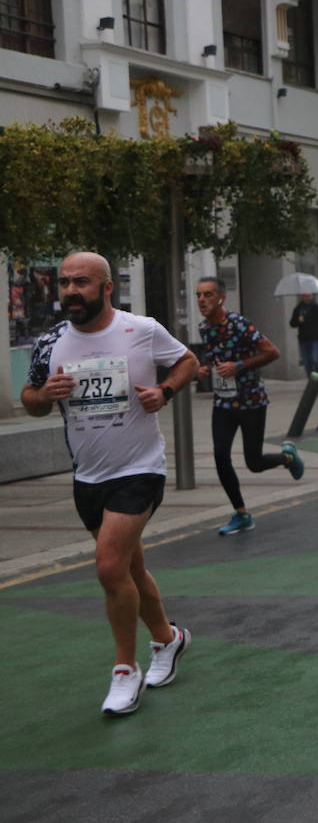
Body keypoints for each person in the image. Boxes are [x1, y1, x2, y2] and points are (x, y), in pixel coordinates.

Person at [22, 252, 198, 715]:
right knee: (129, 569)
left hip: (139, 468)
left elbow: (187, 361)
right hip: (88, 476)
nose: (70, 291)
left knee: (107, 566)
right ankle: (168, 638)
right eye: (64, 283)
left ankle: (125, 669)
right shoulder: (51, 341)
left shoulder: (140, 329)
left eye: (81, 282)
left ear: (105, 288)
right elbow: (31, 398)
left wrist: (165, 391)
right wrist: (45, 394)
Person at [195, 277, 305, 535]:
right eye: (198, 295)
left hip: (251, 401)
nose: (201, 300)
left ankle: (287, 457)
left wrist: (239, 366)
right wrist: (204, 370)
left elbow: (272, 352)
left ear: (221, 298)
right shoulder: (204, 328)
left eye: (208, 295)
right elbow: (215, 361)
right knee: (220, 455)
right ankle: (241, 514)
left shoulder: (239, 324)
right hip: (223, 402)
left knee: (253, 462)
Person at [289, 293, 318, 375]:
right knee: (306, 361)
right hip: (303, 338)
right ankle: (310, 378)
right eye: (304, 296)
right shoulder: (298, 308)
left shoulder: (317, 308)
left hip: (315, 337)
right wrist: (298, 321)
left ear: (312, 296)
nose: (306, 298)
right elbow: (292, 323)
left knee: (315, 359)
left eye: (308, 296)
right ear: (301, 297)